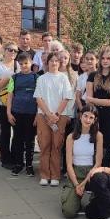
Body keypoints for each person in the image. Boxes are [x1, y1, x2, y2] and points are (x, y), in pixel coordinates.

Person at [34, 52, 74, 186]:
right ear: (47, 62)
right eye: (52, 60)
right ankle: (45, 175)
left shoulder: (63, 78)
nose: (54, 63)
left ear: (60, 63)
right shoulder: (41, 78)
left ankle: (55, 175)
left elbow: (66, 97)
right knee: (44, 145)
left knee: (56, 146)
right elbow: (38, 98)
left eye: (57, 61)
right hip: (43, 116)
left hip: (59, 116)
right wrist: (48, 114)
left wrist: (56, 114)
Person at [61, 105, 103, 218]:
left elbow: (98, 163)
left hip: (92, 174)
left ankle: (90, 197)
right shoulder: (71, 137)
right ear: (80, 116)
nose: (87, 120)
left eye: (91, 117)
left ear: (95, 120)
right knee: (68, 212)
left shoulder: (98, 136)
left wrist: (83, 184)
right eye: (85, 116)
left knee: (98, 211)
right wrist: (76, 185)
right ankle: (75, 198)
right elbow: (69, 165)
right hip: (76, 173)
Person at [85, 46, 110, 167]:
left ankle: (107, 171)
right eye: (103, 58)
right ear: (100, 60)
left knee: (109, 144)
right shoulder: (92, 76)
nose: (105, 61)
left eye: (108, 58)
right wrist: (95, 101)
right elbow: (88, 101)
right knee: (94, 143)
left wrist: (93, 100)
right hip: (95, 115)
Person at [7, 52, 37, 176]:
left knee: (30, 140)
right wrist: (8, 113)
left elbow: (40, 98)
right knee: (17, 139)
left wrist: (37, 115)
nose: (24, 66)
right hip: (17, 112)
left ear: (31, 63)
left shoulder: (36, 78)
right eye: (21, 64)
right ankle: (19, 164)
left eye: (26, 63)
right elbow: (10, 96)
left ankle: (29, 165)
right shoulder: (14, 78)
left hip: (31, 114)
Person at [0, 42, 19, 169]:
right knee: (5, 131)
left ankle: (15, 156)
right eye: (10, 50)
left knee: (17, 131)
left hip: (15, 103)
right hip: (1, 103)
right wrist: (7, 79)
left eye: (15, 51)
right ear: (4, 51)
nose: (13, 53)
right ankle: (5, 159)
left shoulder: (18, 65)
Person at [59, 49, 78, 174]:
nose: (63, 60)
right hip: (55, 114)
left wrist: (69, 114)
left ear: (69, 59)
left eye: (65, 58)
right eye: (61, 58)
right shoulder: (52, 73)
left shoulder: (74, 75)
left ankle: (67, 168)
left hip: (69, 114)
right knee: (57, 143)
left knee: (67, 142)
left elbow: (73, 96)